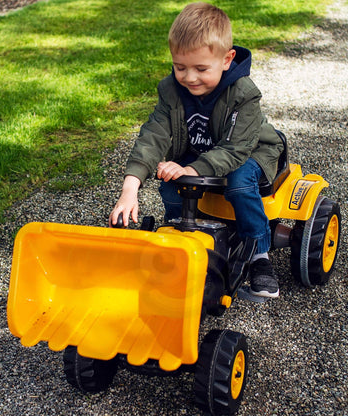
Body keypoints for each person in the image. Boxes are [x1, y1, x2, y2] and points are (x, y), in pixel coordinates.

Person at [109, 2, 283, 298]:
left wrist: (191, 169)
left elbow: (234, 149)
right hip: (202, 153)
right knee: (170, 183)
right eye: (180, 67)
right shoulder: (171, 91)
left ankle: (258, 253)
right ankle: (184, 231)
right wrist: (130, 187)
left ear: (227, 60)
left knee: (239, 184)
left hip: (248, 152)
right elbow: (154, 136)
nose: (189, 77)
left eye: (201, 69)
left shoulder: (243, 94)